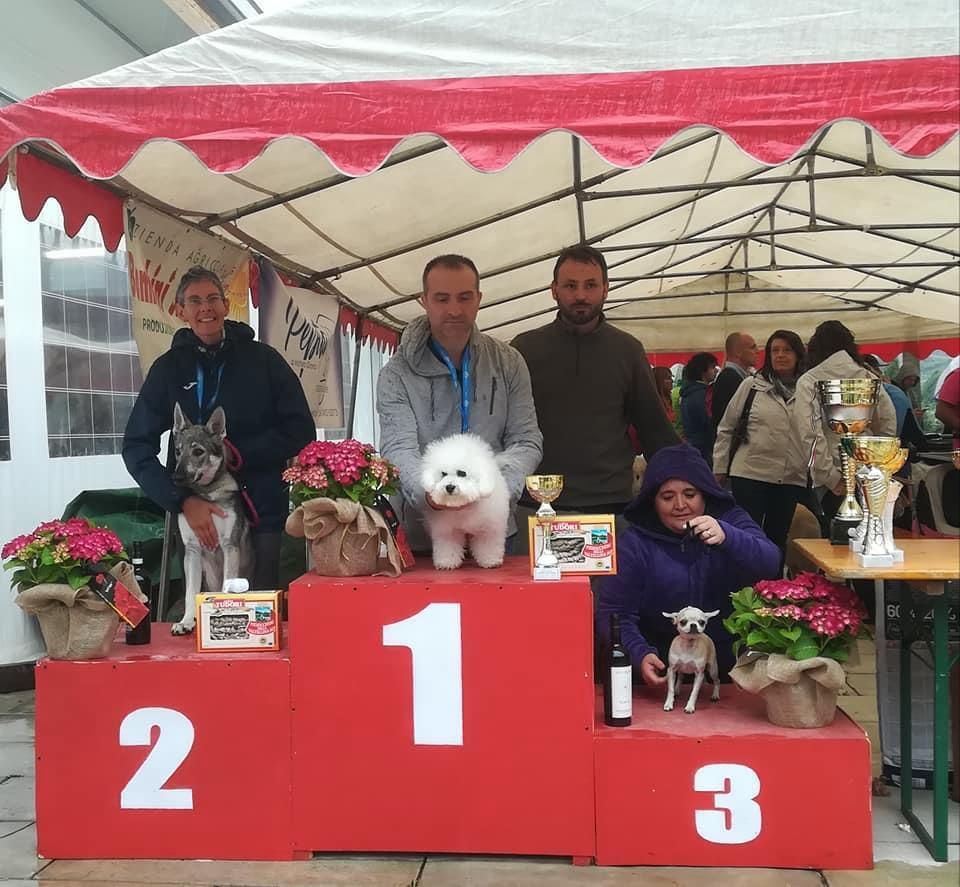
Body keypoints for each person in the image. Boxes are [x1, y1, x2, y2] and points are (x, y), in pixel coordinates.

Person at [122, 265, 316, 591]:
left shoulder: (264, 360)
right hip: (197, 514)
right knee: (210, 616)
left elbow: (300, 430)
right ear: (181, 310)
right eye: (195, 301)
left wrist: (238, 454)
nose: (205, 308)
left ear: (226, 306)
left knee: (259, 615)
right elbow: (135, 446)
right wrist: (180, 499)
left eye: (213, 298)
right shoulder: (167, 370)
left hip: (261, 510)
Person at [377, 254, 543, 553]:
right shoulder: (396, 373)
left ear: (479, 299)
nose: (454, 309)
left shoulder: (509, 362)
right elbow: (398, 448)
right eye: (442, 299)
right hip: (423, 537)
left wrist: (495, 489)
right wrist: (432, 493)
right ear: (423, 300)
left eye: (465, 297)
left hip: (494, 531)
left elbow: (527, 439)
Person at [510, 245, 678, 533]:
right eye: (570, 285)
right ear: (554, 289)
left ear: (606, 289)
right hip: (534, 507)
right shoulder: (523, 350)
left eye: (590, 285)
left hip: (611, 509)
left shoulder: (628, 350)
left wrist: (690, 482)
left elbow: (655, 430)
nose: (580, 296)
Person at [595, 444, 781, 688]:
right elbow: (613, 612)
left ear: (705, 493)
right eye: (667, 497)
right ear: (653, 501)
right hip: (662, 669)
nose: (680, 505)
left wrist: (728, 536)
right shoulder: (633, 543)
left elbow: (771, 564)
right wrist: (639, 655)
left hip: (728, 670)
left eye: (690, 494)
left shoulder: (731, 519)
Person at [713, 330, 808, 559]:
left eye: (786, 350)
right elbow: (726, 427)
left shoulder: (809, 389)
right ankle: (746, 591)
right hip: (750, 474)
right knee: (748, 537)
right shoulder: (751, 386)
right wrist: (719, 467)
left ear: (798, 354)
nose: (780, 355)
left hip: (790, 476)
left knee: (777, 538)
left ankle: (774, 590)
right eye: (775, 350)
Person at [793, 321, 897, 526]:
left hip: (831, 476)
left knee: (834, 538)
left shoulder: (809, 380)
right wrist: (878, 465)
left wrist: (831, 478)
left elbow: (810, 434)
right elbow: (887, 421)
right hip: (868, 470)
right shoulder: (868, 376)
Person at [711, 332, 758, 431]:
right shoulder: (730, 379)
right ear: (738, 352)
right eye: (752, 347)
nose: (757, 351)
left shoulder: (734, 377)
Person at [679, 352, 719, 467]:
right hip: (705, 449)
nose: (715, 370)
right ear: (702, 370)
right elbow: (707, 422)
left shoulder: (687, 392)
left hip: (691, 447)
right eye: (712, 367)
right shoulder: (703, 394)